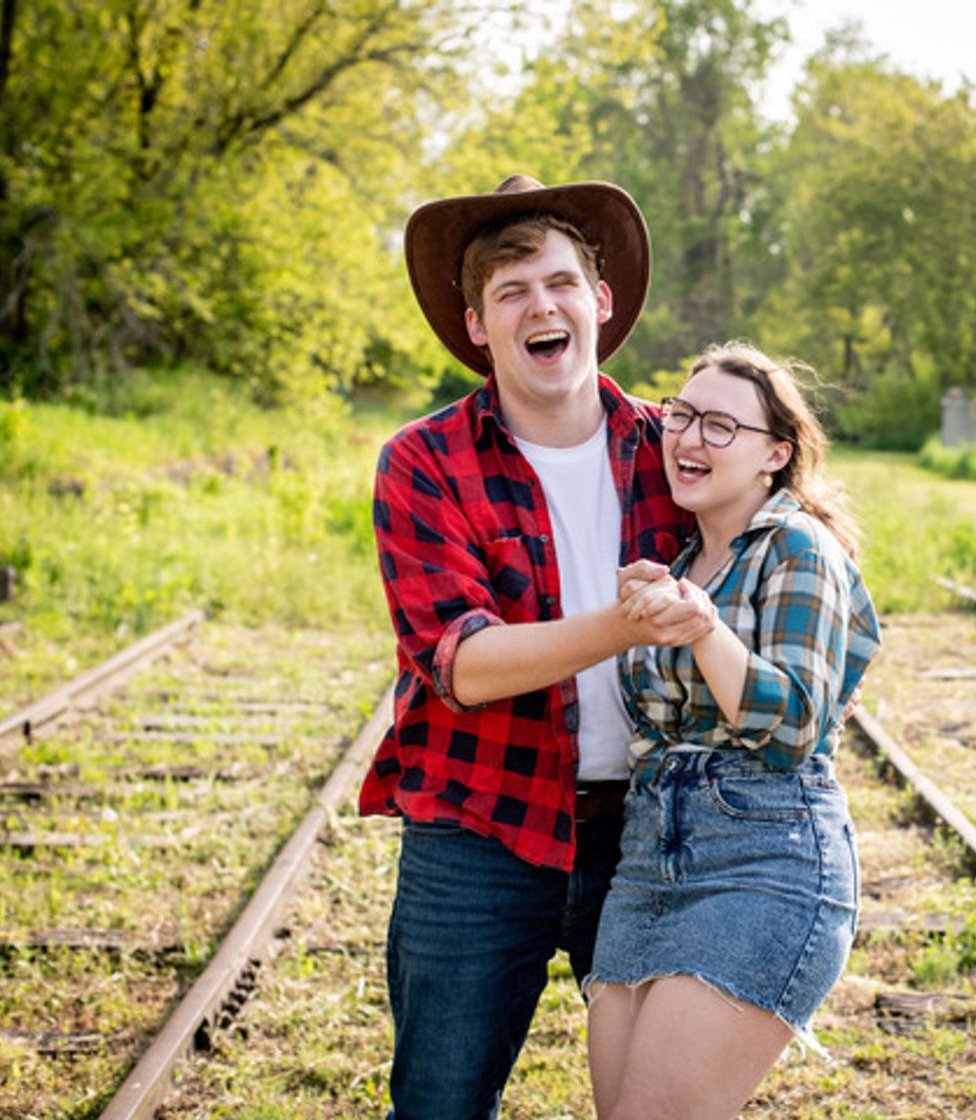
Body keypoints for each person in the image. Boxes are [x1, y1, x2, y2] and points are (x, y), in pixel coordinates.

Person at [358, 174, 715, 1119]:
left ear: (598, 301)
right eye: (510, 293)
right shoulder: (425, 460)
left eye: (558, 283)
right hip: (480, 825)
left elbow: (776, 547)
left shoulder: (673, 450)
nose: (539, 307)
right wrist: (625, 622)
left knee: (660, 1106)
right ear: (477, 324)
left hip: (653, 828)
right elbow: (462, 667)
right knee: (439, 1102)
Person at [584, 341, 882, 1120]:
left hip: (763, 863)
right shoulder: (682, 563)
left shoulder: (798, 548)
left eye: (721, 426)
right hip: (649, 863)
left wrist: (704, 630)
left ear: (774, 455)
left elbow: (792, 728)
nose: (689, 438)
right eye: (681, 416)